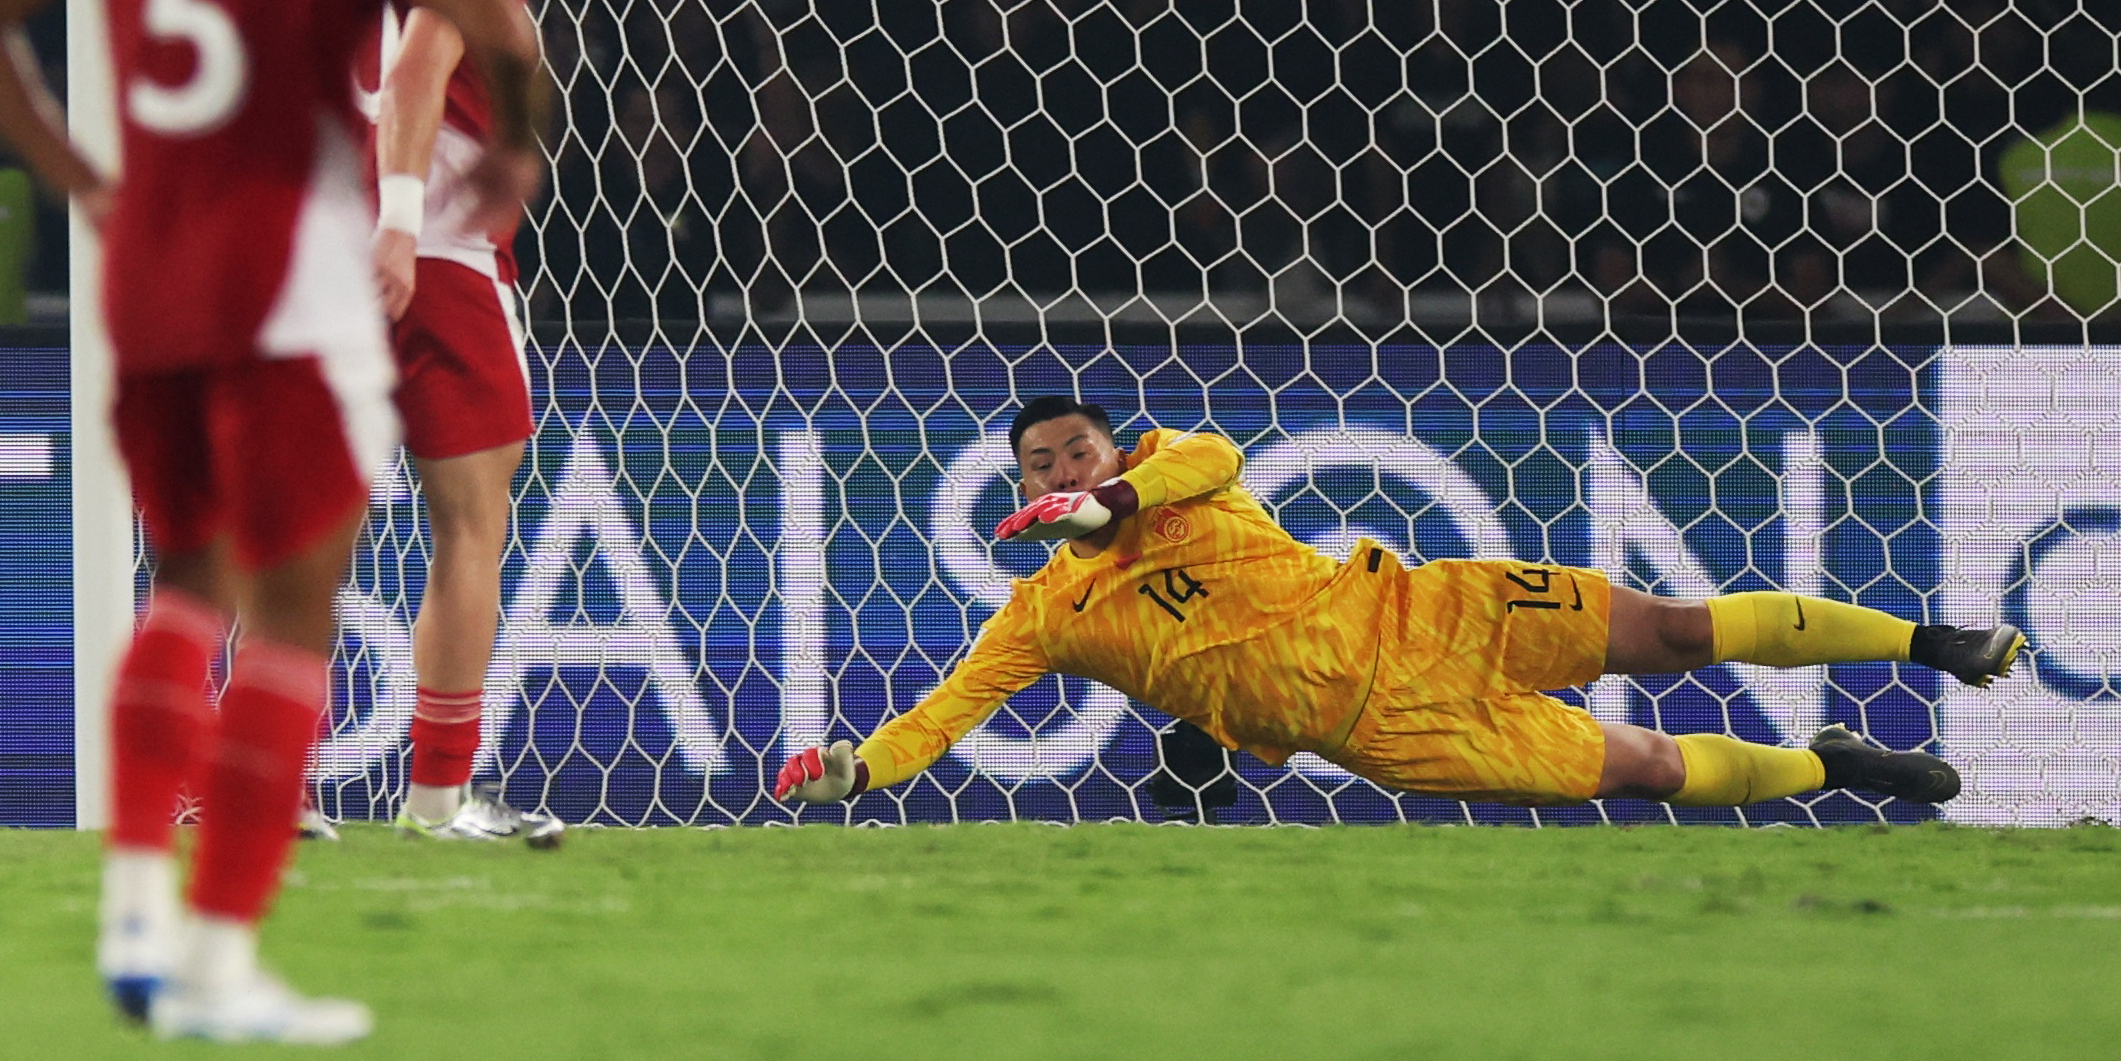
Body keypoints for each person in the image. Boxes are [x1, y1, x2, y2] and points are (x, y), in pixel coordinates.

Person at [0, 0, 549, 1045]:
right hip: (301, 271)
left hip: (153, 274)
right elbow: (472, 25)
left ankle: (139, 903)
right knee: (293, 604)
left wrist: (80, 178)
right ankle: (217, 962)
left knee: (187, 584)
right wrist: (499, 151)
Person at [774, 396, 2024, 816]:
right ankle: (1827, 760)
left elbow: (1200, 460)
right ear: (1017, 483)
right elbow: (946, 711)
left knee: (1679, 632)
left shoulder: (1184, 471)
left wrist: (1115, 502)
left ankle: (1934, 643)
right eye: (1041, 463)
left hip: (1429, 612)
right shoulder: (1045, 615)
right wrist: (855, 768)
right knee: (1644, 763)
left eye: (1079, 450)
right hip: (1391, 734)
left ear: (1111, 447)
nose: (1065, 471)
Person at [358, 0, 565, 846]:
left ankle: (251, 781)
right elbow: (415, 72)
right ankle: (438, 797)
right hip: (429, 246)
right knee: (469, 520)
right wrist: (398, 219)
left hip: (320, 243)